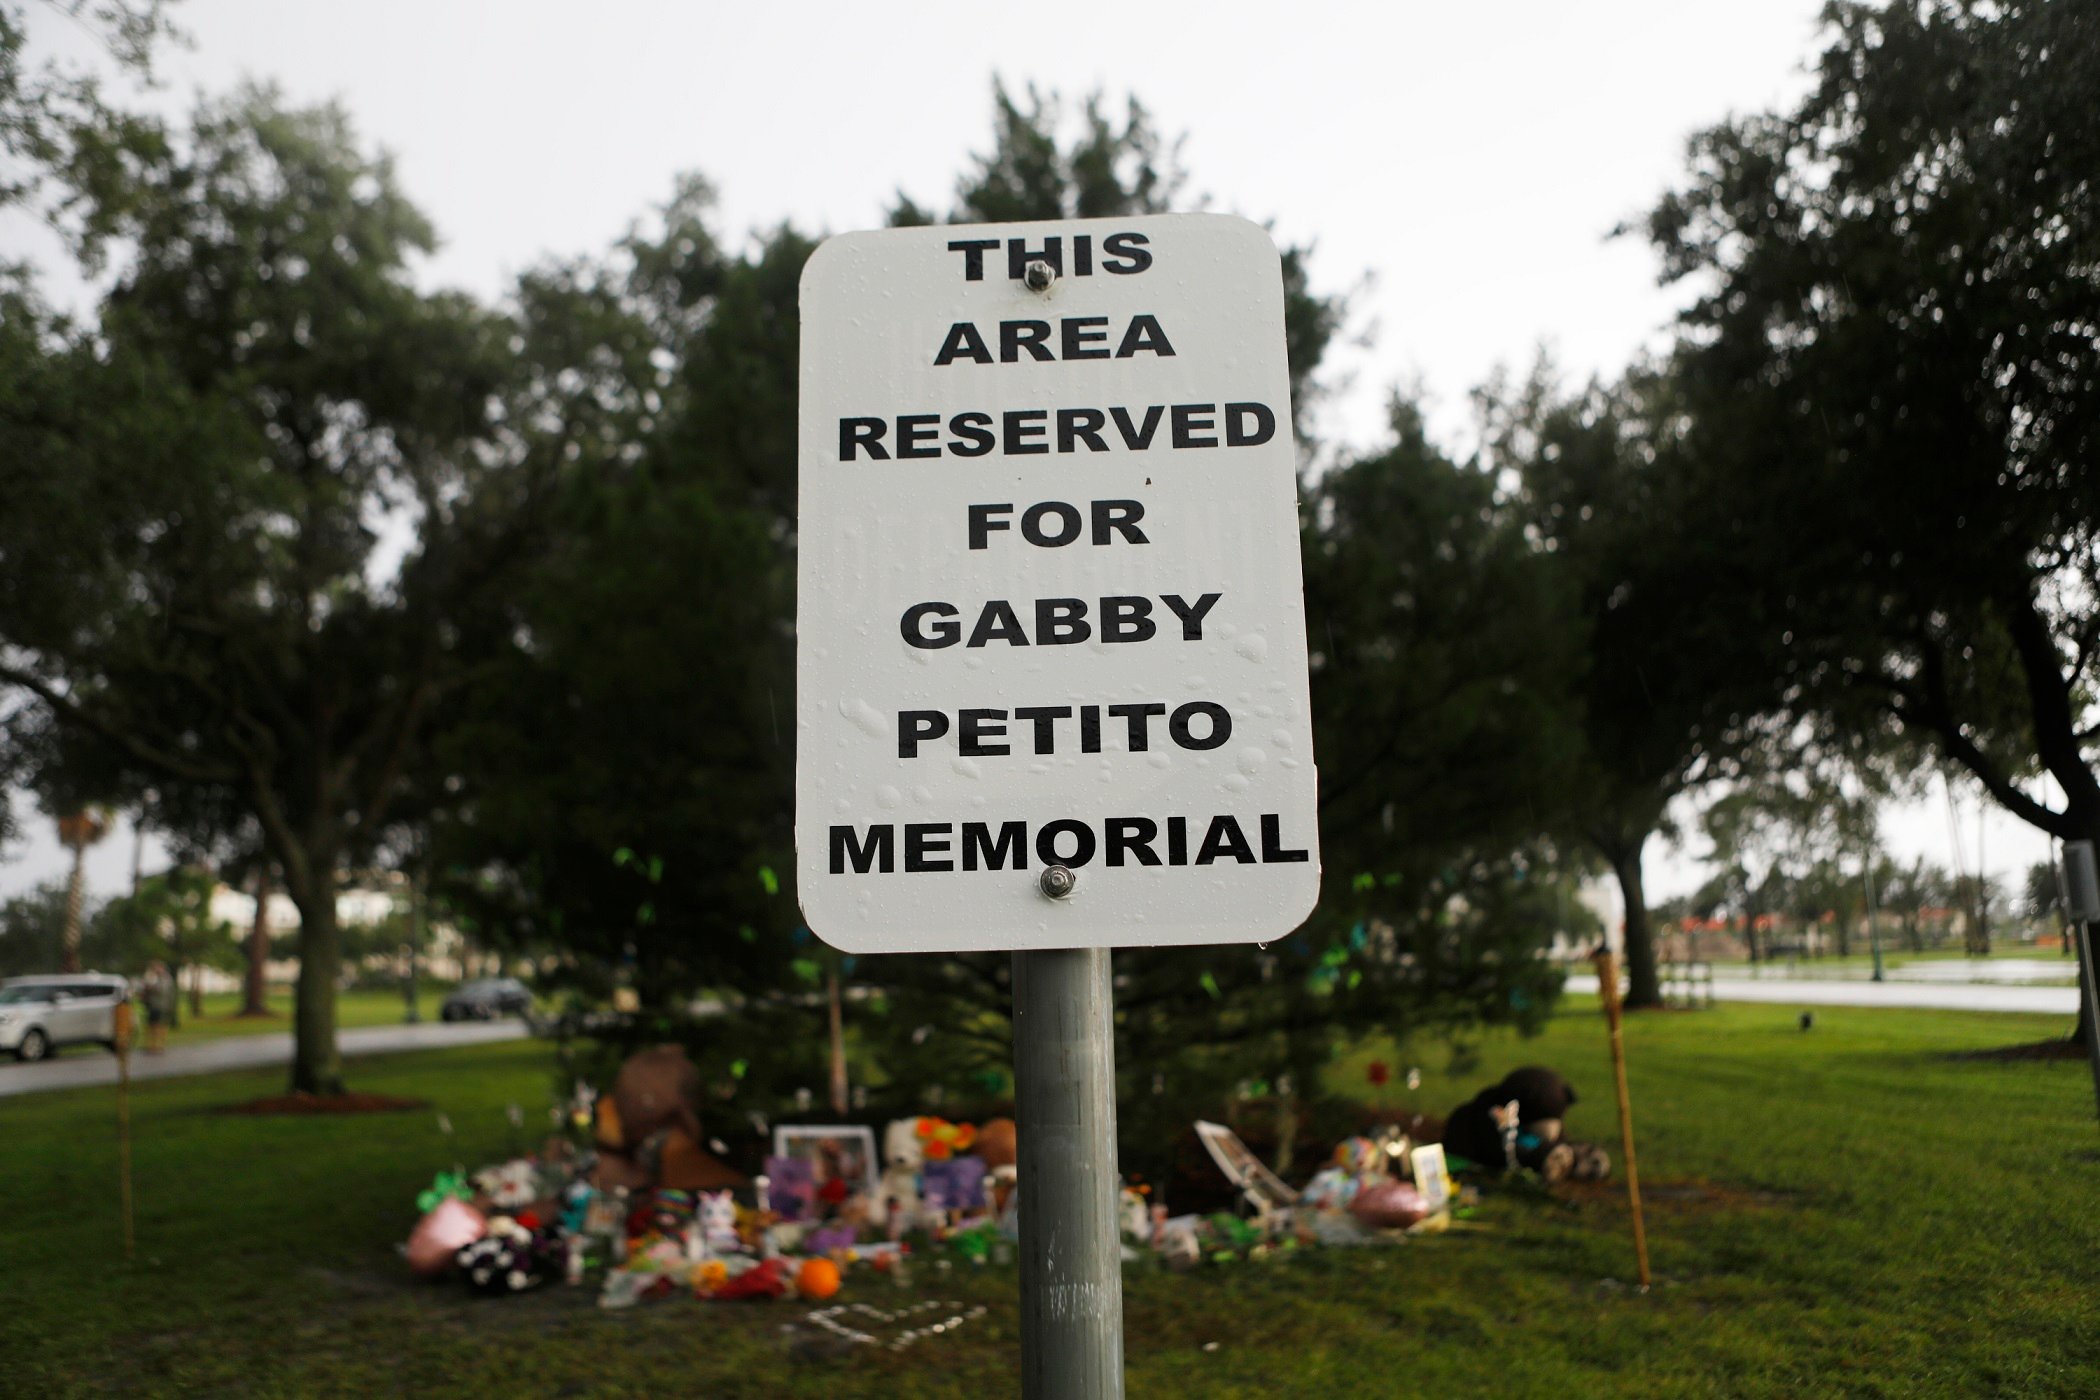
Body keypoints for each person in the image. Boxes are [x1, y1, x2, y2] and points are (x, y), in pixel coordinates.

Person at [141, 961, 174, 1054]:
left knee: (160, 1026)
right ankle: (151, 1045)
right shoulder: (153, 977)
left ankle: (160, 1045)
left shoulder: (166, 979)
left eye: (158, 968)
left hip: (162, 1006)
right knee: (150, 1025)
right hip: (152, 1005)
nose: (156, 970)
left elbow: (163, 991)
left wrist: (152, 988)